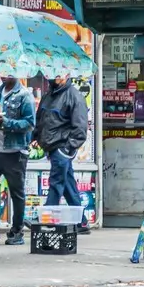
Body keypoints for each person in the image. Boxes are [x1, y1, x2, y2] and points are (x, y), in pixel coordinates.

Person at [0, 73, 36, 246]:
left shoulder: (24, 96)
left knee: (17, 194)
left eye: (8, 73)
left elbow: (29, 124)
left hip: (15, 152)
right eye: (1, 72)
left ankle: (17, 231)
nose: (3, 76)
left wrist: (5, 121)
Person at [38, 71, 91, 232]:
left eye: (58, 74)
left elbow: (80, 128)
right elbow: (41, 118)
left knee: (56, 183)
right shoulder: (49, 95)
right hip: (53, 146)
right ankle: (81, 222)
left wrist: (68, 148)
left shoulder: (74, 96)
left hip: (62, 148)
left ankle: (46, 219)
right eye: (52, 73)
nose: (55, 77)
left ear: (67, 75)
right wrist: (35, 136)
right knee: (67, 183)